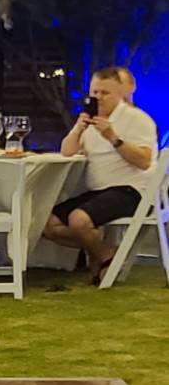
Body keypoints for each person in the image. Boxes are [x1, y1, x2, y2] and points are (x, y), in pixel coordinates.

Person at [42, 66, 157, 284]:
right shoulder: (90, 121)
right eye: (95, 93)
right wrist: (78, 129)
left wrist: (113, 137)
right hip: (98, 191)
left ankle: (100, 256)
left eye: (105, 93)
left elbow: (144, 161)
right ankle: (105, 253)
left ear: (120, 94)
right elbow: (67, 151)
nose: (99, 98)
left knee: (79, 220)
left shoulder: (138, 119)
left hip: (131, 190)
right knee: (48, 224)